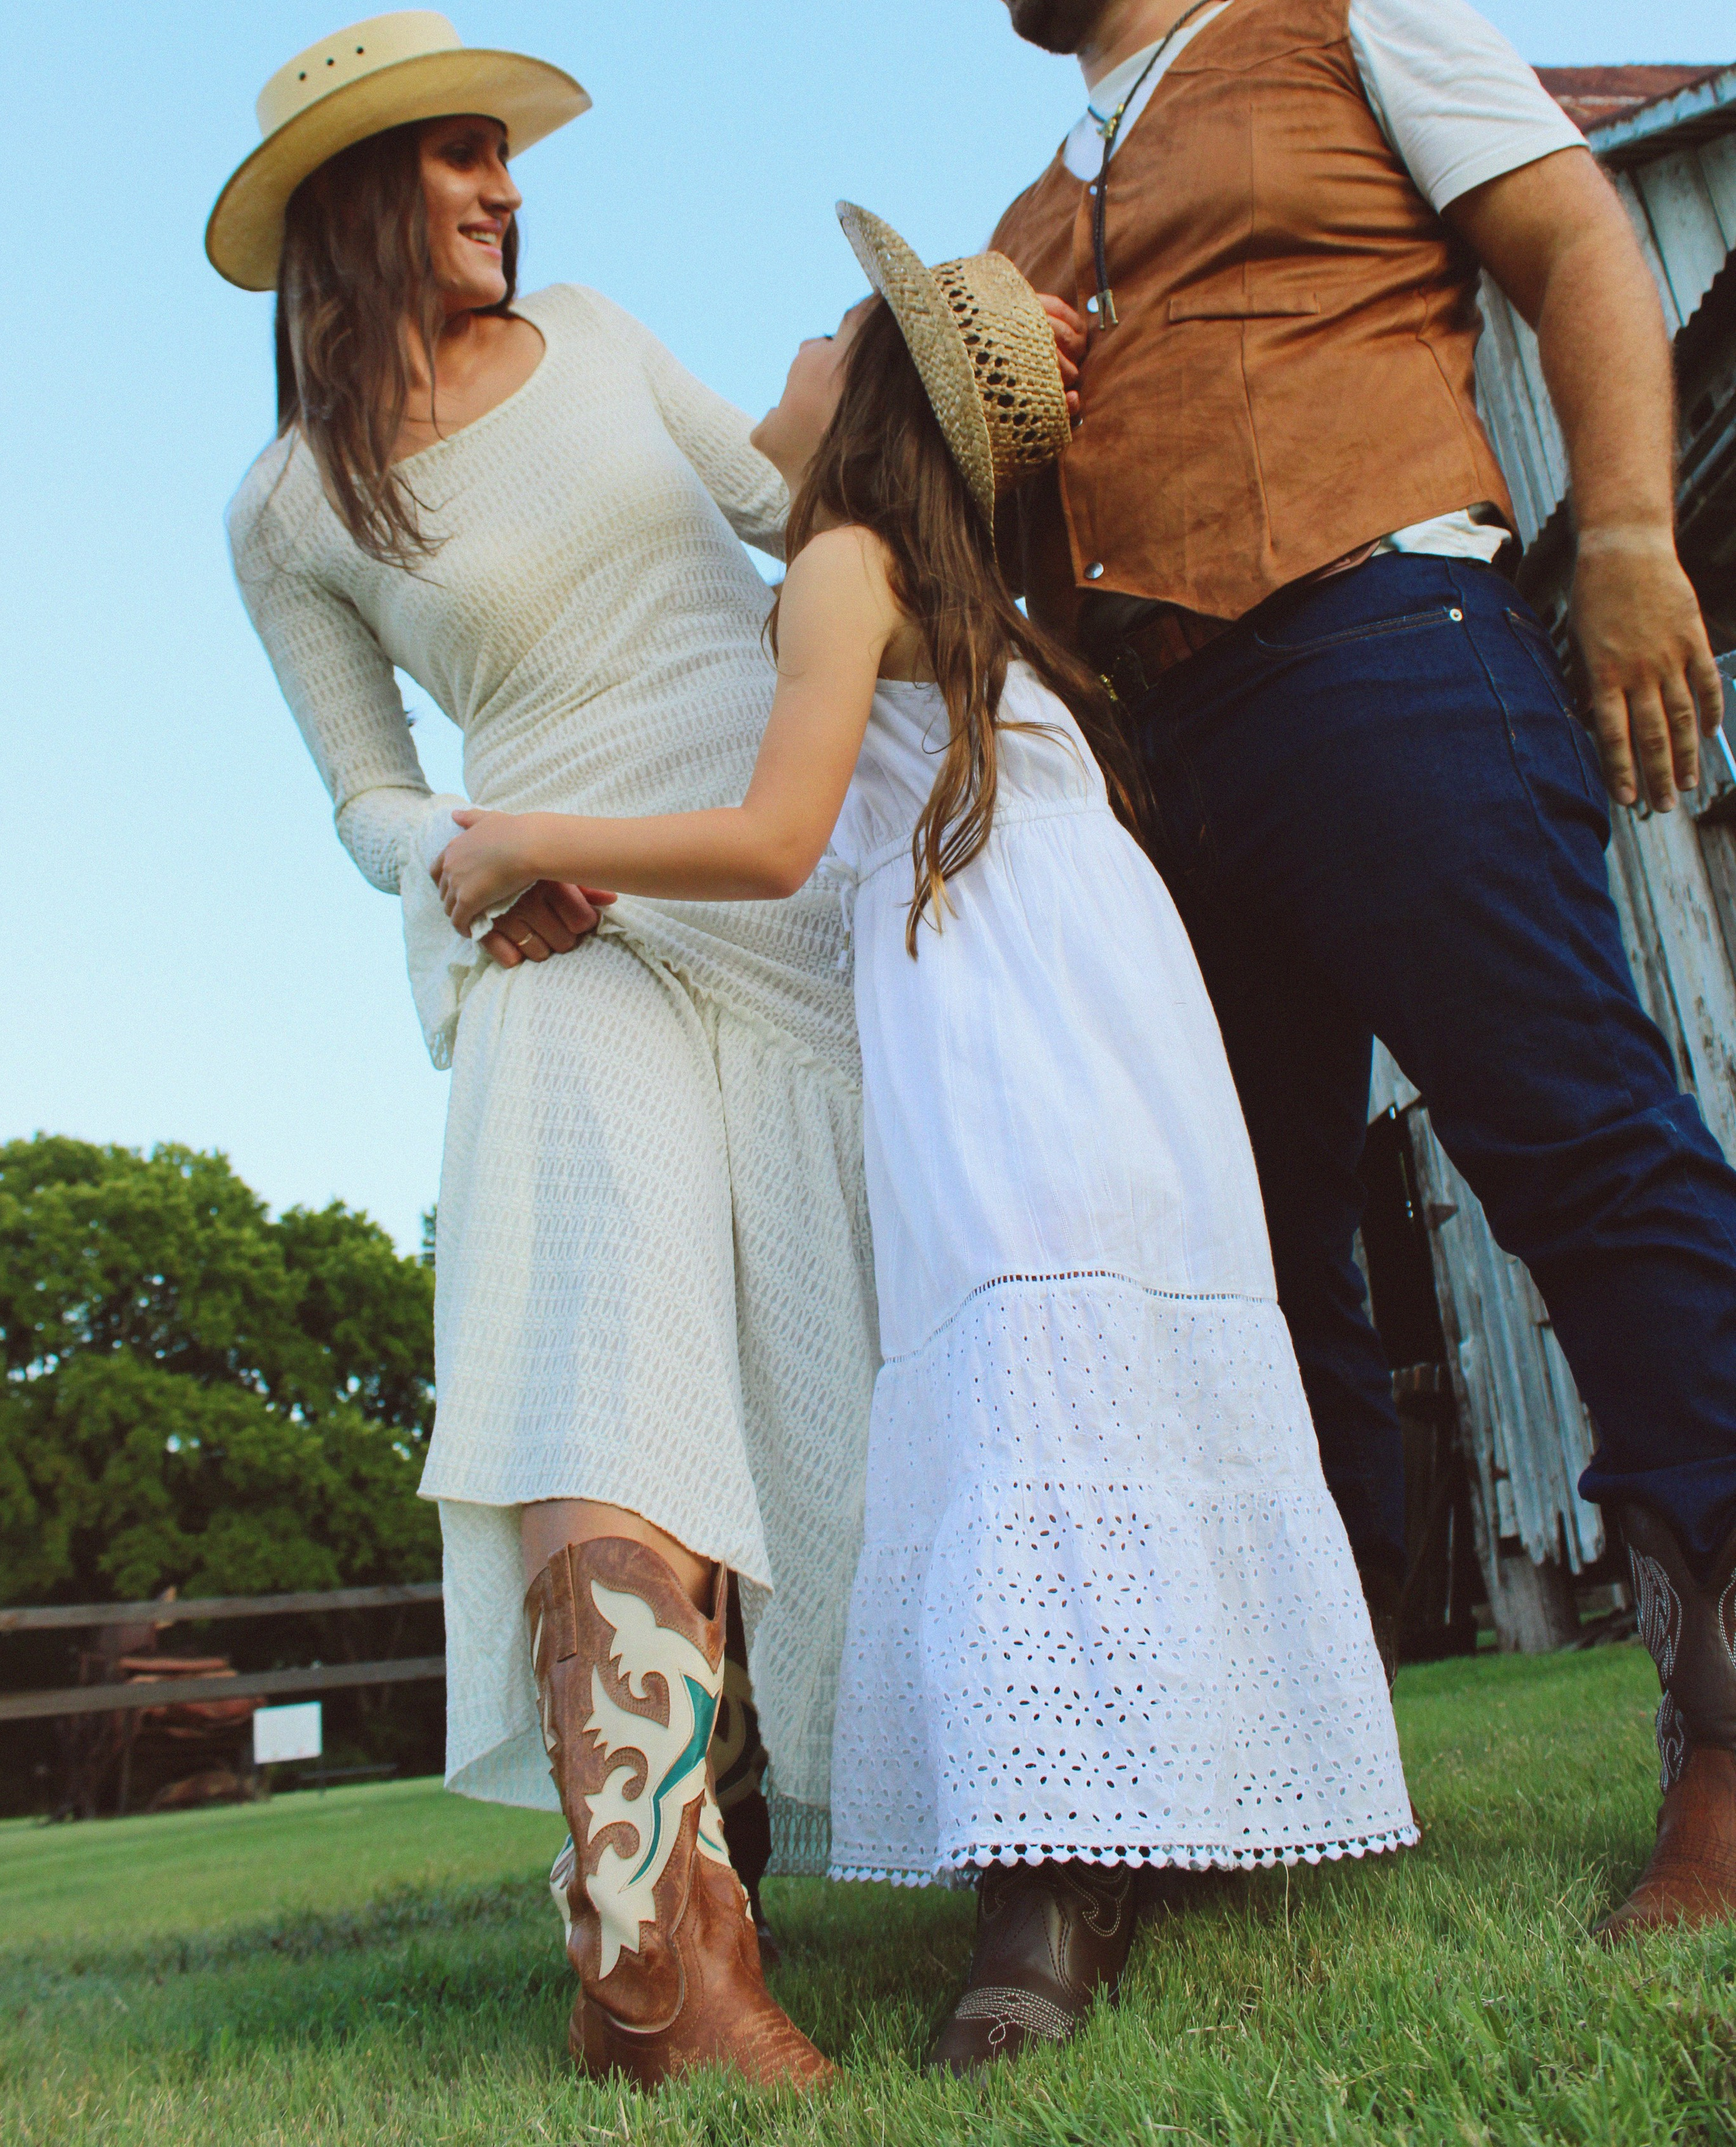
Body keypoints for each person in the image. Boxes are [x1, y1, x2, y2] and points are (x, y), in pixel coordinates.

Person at [897, 0, 1736, 1937]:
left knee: (1575, 1144)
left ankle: (1733, 1735)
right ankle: (1285, 1754)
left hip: (1386, 645)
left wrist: (1628, 528)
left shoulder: (1358, 19)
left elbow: (1578, 252)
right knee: (1248, 1252)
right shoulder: (1004, 233)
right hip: (1151, 761)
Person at [433, 205, 1418, 2075]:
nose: (787, 367)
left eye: (823, 341)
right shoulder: (996, 614)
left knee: (1017, 1391)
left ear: (870, 391)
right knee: (1118, 1380)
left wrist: (529, 838)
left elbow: (781, 840)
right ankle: (1145, 1812)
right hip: (1131, 1041)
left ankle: (1049, 1887)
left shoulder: (840, 565)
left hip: (998, 1032)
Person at [212, 10, 879, 2091]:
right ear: (357, 200)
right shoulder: (287, 508)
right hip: (548, 912)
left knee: (826, 1339)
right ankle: (654, 1957)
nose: (508, 188)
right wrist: (473, 861)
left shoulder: (592, 332)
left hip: (765, 868)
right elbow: (361, 792)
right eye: (461, 158)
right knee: (597, 1312)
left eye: (509, 155)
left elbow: (786, 512)